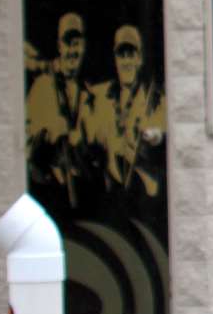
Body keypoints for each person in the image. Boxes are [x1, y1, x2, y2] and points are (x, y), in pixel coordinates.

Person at [80, 24, 166, 201]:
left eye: (131, 54)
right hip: (113, 195)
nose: (126, 61)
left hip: (145, 197)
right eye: (121, 55)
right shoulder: (101, 95)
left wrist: (153, 136)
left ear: (139, 59)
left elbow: (162, 131)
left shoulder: (155, 98)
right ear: (115, 59)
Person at [24, 11, 91, 212]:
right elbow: (26, 153)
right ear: (59, 46)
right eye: (68, 43)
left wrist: (82, 144)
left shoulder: (87, 94)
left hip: (79, 195)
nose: (73, 50)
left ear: (84, 47)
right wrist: (47, 135)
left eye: (77, 43)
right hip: (50, 194)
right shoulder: (43, 86)